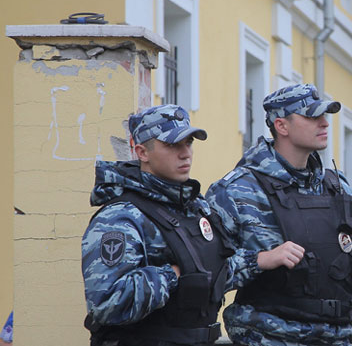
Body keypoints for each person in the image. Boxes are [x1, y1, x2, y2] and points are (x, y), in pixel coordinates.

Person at [206, 83, 352, 346]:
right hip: (269, 337)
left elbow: (351, 252)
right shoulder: (236, 190)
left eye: (325, 116)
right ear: (281, 126)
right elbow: (206, 274)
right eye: (312, 116)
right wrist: (261, 260)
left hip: (337, 335)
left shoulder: (336, 185)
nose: (324, 123)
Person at [81, 104, 257, 346]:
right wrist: (174, 274)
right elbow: (107, 304)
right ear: (142, 152)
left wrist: (260, 261)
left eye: (189, 143)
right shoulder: (121, 217)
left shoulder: (195, 207)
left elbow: (210, 273)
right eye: (173, 145)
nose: (185, 153)